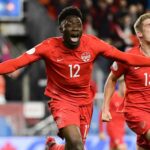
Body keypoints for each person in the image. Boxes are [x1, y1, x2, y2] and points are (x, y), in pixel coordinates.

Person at [1, 6, 150, 150]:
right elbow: (16, 63)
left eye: (78, 25)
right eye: (69, 25)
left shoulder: (92, 43)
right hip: (62, 100)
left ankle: (54, 147)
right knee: (77, 144)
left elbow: (125, 58)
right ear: (61, 29)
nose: (74, 28)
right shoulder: (48, 47)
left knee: (74, 147)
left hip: (85, 102)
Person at [101, 13, 150, 150]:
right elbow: (112, 79)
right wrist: (105, 108)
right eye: (149, 26)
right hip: (137, 111)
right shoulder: (128, 56)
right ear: (139, 34)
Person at [99, 76, 127, 150]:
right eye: (124, 85)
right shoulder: (113, 97)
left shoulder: (127, 99)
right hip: (113, 128)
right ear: (120, 85)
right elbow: (102, 112)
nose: (125, 88)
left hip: (121, 130)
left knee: (113, 148)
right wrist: (101, 131)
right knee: (122, 148)